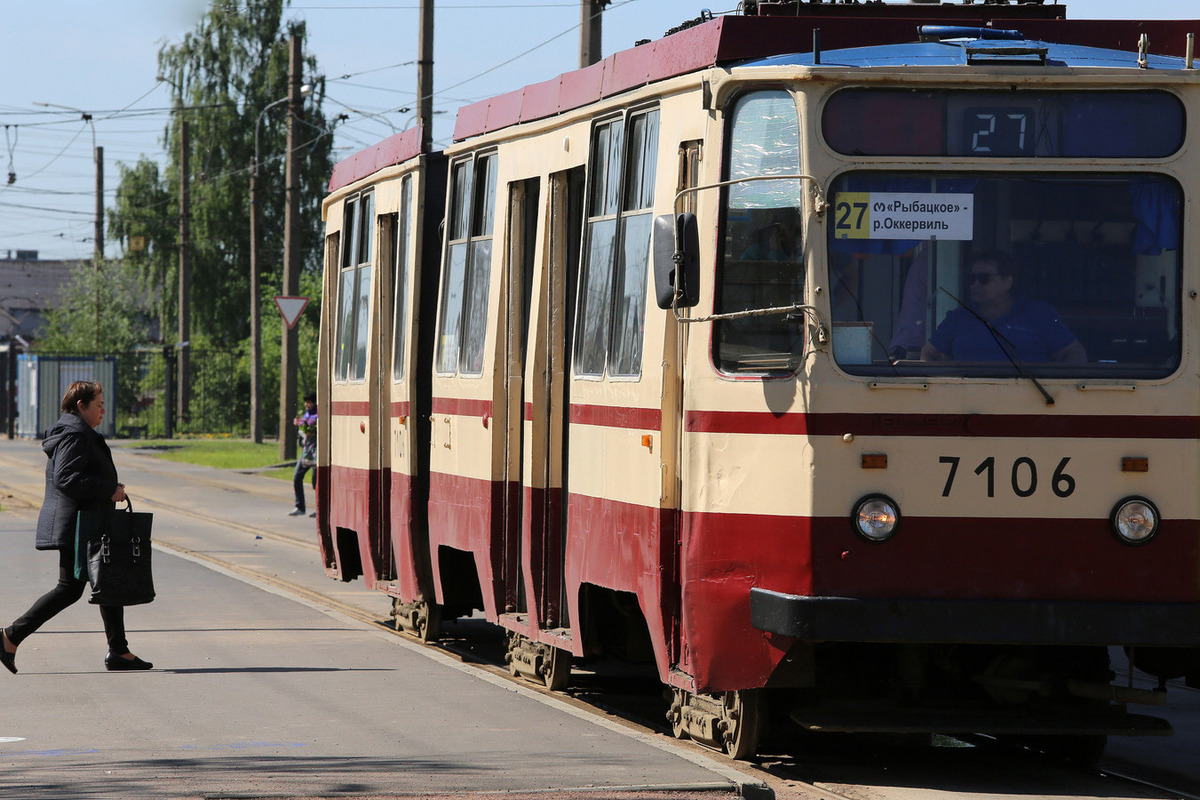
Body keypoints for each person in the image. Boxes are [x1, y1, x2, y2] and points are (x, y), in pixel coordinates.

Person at [1, 381, 152, 674]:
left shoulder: (79, 433)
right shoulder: (76, 435)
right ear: (81, 406)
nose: (103, 410)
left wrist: (108, 488)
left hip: (88, 523)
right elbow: (66, 477)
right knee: (69, 589)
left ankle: (119, 651)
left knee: (107, 580)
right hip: (78, 526)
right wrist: (108, 489)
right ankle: (9, 636)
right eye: (98, 404)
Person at [921, 250, 1086, 364]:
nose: (975, 285)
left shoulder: (1040, 314)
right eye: (971, 279)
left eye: (984, 278)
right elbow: (929, 353)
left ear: (1008, 281)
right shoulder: (958, 318)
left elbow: (1073, 353)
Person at [289, 392, 318, 517]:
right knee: (297, 477)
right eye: (306, 402)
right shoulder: (307, 413)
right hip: (307, 450)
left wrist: (303, 422)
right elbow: (305, 424)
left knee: (316, 482)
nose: (307, 404)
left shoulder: (318, 413)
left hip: (317, 451)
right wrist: (299, 424)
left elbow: (312, 422)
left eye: (309, 402)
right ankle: (300, 506)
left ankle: (319, 510)